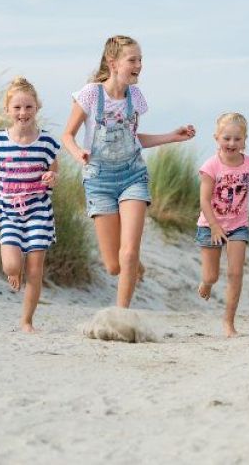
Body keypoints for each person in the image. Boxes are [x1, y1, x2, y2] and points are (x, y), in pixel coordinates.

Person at [62, 35, 195, 308]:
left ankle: (121, 314)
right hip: (99, 179)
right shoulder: (89, 94)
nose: (139, 65)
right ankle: (134, 265)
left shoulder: (135, 97)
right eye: (132, 60)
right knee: (113, 265)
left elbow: (133, 139)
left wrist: (171, 136)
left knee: (129, 251)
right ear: (113, 62)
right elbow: (67, 135)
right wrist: (79, 154)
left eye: (141, 60)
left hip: (133, 175)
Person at [196, 112, 249, 337]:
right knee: (212, 276)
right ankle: (206, 283)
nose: (232, 143)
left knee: (235, 273)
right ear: (217, 138)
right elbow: (204, 200)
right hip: (210, 226)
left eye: (237, 139)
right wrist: (215, 226)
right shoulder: (211, 166)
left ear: (245, 140)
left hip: (238, 226)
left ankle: (229, 322)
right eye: (226, 138)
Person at [0, 77, 60, 332]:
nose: (23, 112)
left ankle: (27, 320)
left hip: (39, 210)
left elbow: (54, 174)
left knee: (35, 269)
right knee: (12, 265)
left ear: (37, 107)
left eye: (28, 107)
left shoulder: (47, 142)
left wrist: (52, 178)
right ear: (7, 110)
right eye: (17, 107)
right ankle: (13, 271)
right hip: (9, 211)